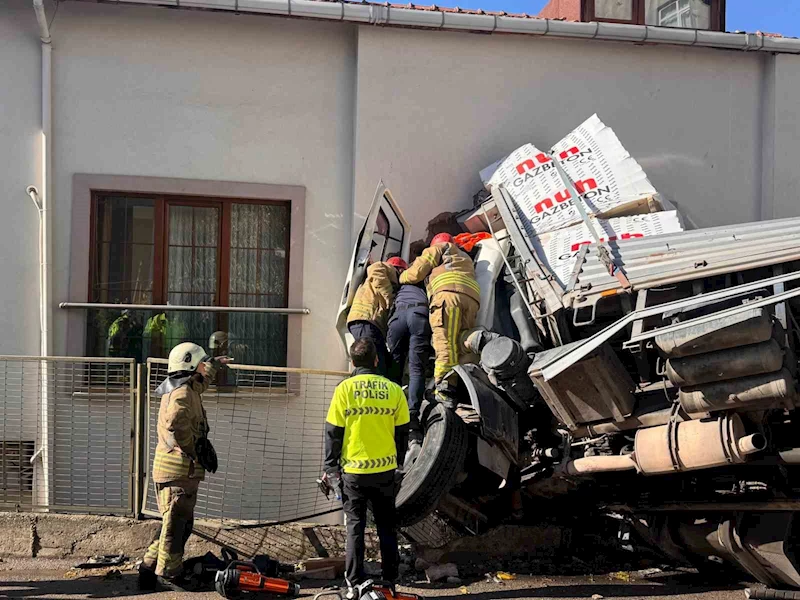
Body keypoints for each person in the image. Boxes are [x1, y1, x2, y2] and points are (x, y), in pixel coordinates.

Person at [323, 338, 410, 595]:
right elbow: (403, 432)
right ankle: (390, 578)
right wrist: (399, 462)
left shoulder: (344, 390)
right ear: (376, 360)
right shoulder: (394, 390)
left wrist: (331, 467)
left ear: (352, 362)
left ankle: (354, 581)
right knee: (386, 525)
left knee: (355, 526)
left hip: (354, 472)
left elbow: (333, 432)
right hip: (384, 471)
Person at [139, 342, 224, 589]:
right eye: (202, 362)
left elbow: (202, 383)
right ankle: (169, 573)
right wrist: (194, 450)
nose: (204, 365)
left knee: (174, 523)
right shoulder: (182, 393)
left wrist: (215, 366)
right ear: (190, 365)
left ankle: (147, 568)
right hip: (178, 471)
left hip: (178, 471)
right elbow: (176, 424)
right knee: (177, 527)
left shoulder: (185, 387)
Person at [399, 233, 481, 407]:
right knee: (462, 343)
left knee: (444, 342)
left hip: (447, 298)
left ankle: (445, 390)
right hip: (472, 301)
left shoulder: (437, 248)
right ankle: (464, 383)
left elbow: (415, 273)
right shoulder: (465, 256)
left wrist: (401, 277)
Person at [387, 279, 431, 466]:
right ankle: (412, 412)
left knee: (394, 370)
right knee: (416, 369)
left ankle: (391, 409)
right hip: (419, 314)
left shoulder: (400, 287)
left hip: (397, 318)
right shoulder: (426, 283)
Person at [346, 256, 408, 376]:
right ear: (400, 269)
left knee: (379, 359)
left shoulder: (371, 283)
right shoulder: (387, 269)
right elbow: (376, 267)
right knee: (375, 364)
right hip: (367, 320)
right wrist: (389, 297)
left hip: (364, 322)